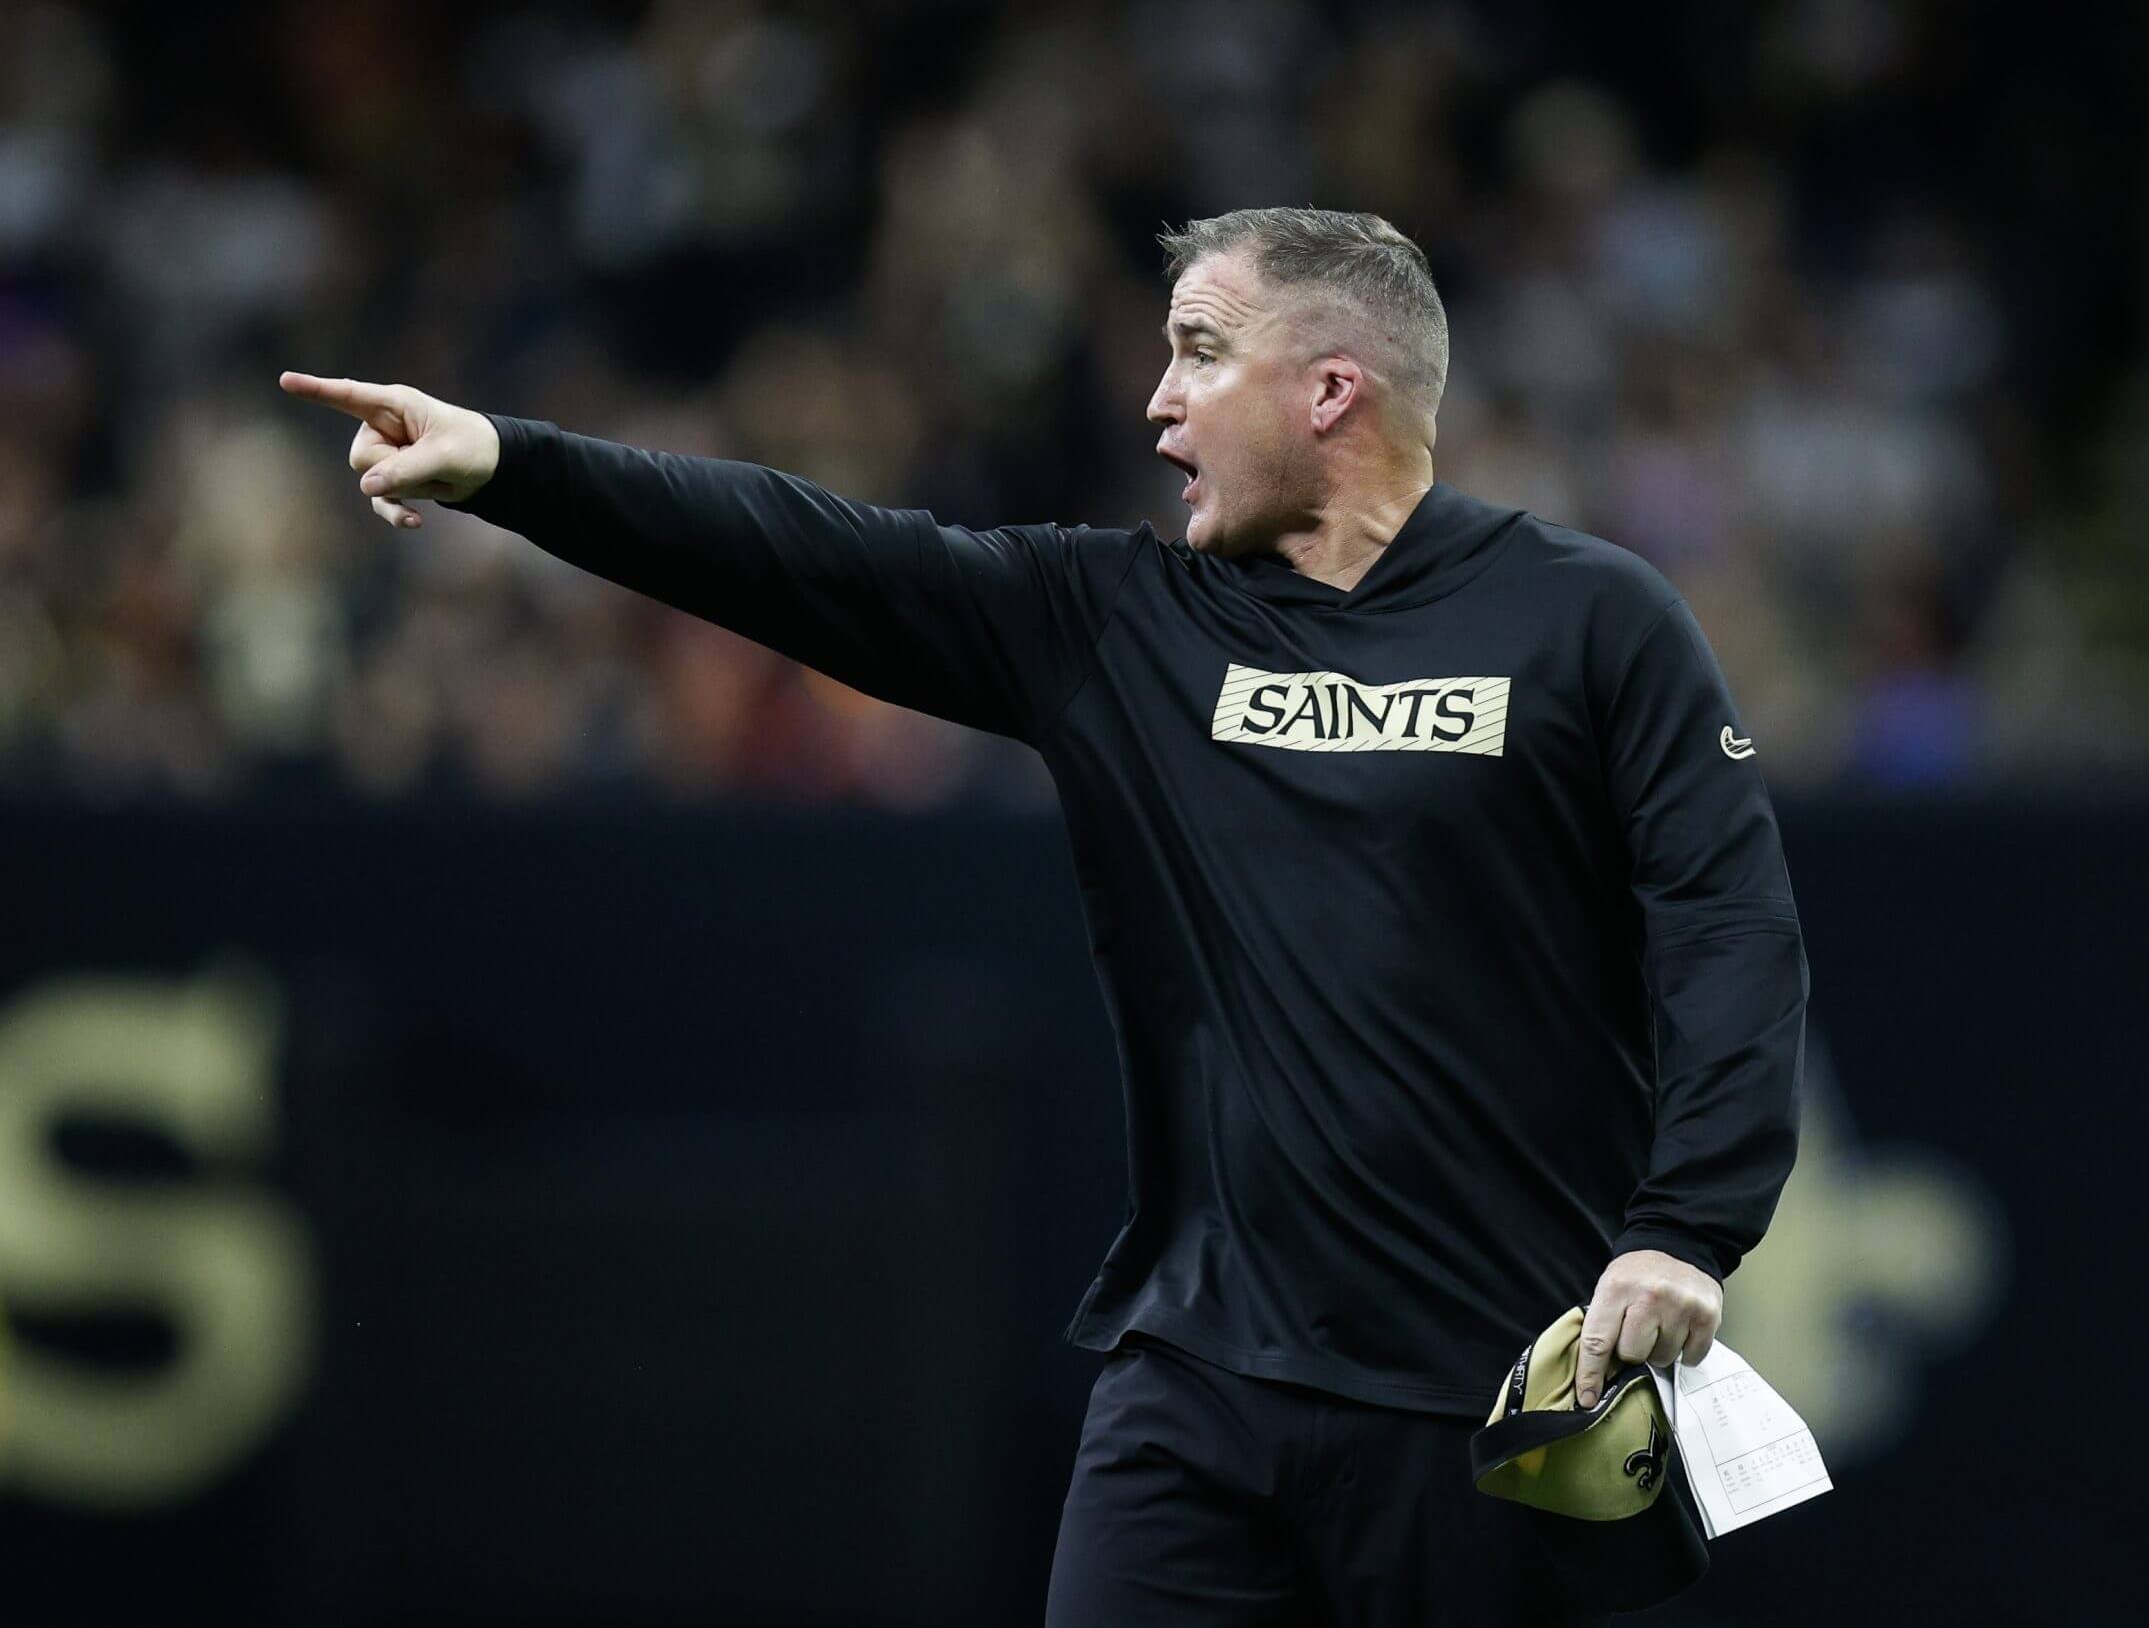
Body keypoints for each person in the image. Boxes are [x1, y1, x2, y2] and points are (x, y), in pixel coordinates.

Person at [279, 206, 1808, 1626]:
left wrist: (1687, 1228)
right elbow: (816, 555)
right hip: (1201, 1382)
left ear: (1333, 390)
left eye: (1201, 353)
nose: (1156, 402)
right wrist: (510, 464)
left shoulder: (1592, 620)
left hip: (1486, 1400)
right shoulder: (1120, 624)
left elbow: (1728, 928)